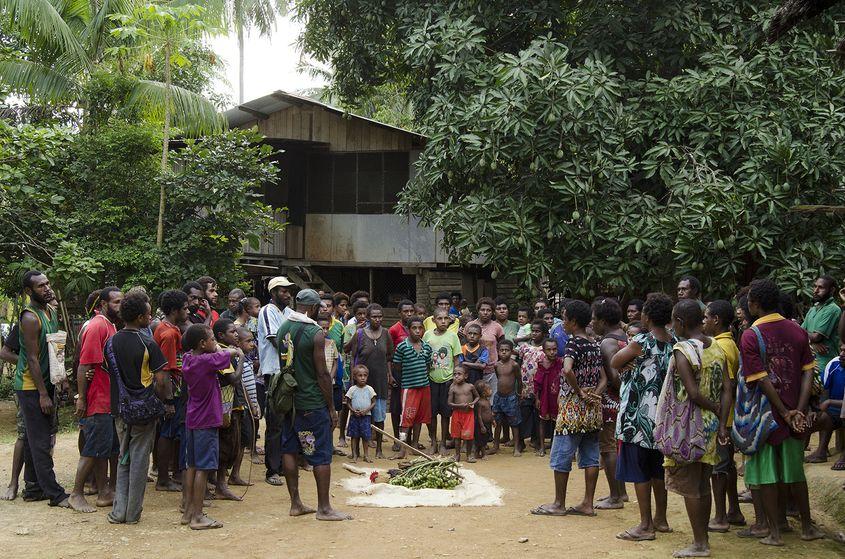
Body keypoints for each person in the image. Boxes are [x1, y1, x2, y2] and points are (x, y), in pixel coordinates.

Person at [740, 278, 823, 545]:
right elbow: (808, 371)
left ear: (754, 304)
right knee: (794, 471)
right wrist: (797, 410)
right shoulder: (797, 330)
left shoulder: (751, 335)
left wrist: (784, 412)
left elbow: (761, 380)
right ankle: (808, 527)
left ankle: (774, 532)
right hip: (794, 413)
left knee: (766, 475)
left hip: (766, 415)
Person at [661, 299, 731, 558]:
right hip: (712, 425)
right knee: (704, 483)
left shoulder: (682, 349)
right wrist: (721, 420)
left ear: (679, 322)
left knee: (691, 486)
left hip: (689, 425)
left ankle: (699, 543)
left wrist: (710, 407)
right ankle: (704, 539)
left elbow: (691, 392)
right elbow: (727, 389)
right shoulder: (716, 347)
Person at [277, 289, 351, 521]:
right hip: (311, 401)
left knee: (289, 449)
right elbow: (322, 374)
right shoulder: (315, 333)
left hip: (288, 399)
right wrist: (331, 407)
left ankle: (296, 503)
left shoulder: (283, 328)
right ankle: (324, 508)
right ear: (312, 308)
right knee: (321, 454)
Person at [531, 299, 605, 518]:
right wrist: (594, 394)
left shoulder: (573, 343)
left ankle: (559, 503)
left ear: (573, 321)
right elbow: (603, 377)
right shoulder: (593, 344)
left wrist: (579, 391)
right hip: (593, 407)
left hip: (573, 405)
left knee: (562, 453)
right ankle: (588, 503)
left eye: (564, 318)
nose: (563, 322)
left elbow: (567, 370)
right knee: (591, 454)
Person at [612, 293, 675, 542]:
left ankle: (645, 525)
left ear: (646, 316)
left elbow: (616, 361)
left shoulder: (642, 341)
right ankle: (661, 519)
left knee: (640, 472)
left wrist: (628, 364)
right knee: (658, 469)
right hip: (662, 417)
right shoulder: (674, 341)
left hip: (637, 417)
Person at [106, 290, 170, 524]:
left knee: (124, 458)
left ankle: (118, 511)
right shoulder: (147, 343)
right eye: (148, 314)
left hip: (120, 409)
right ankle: (133, 513)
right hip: (143, 410)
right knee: (140, 460)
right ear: (142, 318)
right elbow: (162, 380)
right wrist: (161, 401)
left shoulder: (111, 342)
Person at [15, 270, 69, 508]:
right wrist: (42, 394)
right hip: (30, 386)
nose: (47, 288)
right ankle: (55, 494)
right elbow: (33, 359)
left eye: (48, 283)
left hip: (48, 382)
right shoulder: (29, 318)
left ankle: (33, 488)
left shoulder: (50, 311)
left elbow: (56, 347)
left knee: (32, 437)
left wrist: (62, 378)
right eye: (40, 286)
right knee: (40, 441)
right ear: (29, 291)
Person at [180, 323, 242, 530]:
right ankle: (198, 516)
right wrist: (238, 354)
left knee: (192, 465)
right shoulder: (208, 360)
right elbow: (231, 352)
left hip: (192, 418)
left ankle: (189, 510)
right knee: (204, 468)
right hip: (207, 419)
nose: (216, 343)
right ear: (202, 343)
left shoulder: (189, 358)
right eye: (212, 339)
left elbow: (216, 351)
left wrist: (213, 346)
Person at [69, 286, 123, 513]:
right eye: (116, 302)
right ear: (103, 304)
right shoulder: (97, 325)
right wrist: (81, 398)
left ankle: (103, 492)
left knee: (104, 449)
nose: (121, 306)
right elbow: (84, 365)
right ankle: (76, 493)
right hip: (97, 399)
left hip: (108, 398)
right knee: (92, 449)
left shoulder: (110, 325)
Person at [703, 299, 746, 532]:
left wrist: (721, 423)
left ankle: (720, 517)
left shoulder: (720, 347)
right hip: (727, 417)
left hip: (722, 418)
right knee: (727, 465)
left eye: (706, 317)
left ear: (716, 320)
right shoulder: (729, 343)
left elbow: (727, 386)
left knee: (719, 468)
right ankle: (734, 511)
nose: (703, 321)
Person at [257, 276, 295, 486]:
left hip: (288, 371)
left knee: (288, 419)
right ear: (273, 293)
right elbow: (276, 338)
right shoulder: (267, 311)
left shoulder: (290, 313)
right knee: (274, 422)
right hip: (274, 371)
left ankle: (284, 464)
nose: (287, 294)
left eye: (288, 290)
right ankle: (272, 469)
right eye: (282, 291)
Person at [592, 297, 629, 510]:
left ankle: (615, 496)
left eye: (594, 319)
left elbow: (615, 377)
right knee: (614, 446)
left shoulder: (607, 342)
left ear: (604, 321)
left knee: (608, 448)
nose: (592, 323)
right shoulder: (623, 337)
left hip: (610, 401)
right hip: (619, 401)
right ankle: (620, 492)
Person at [345, 303, 394, 459]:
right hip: (362, 383)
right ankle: (357, 451)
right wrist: (354, 377)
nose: (377, 319)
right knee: (360, 416)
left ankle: (378, 448)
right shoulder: (360, 334)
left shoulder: (386, 334)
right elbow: (353, 356)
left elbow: (389, 357)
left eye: (380, 316)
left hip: (380, 381)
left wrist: (389, 374)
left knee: (379, 417)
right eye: (374, 316)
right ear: (367, 317)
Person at [153, 289, 189, 494]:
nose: (187, 312)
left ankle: (166, 476)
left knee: (169, 432)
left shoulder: (165, 327)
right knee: (167, 433)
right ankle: (163, 479)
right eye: (184, 308)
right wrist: (167, 400)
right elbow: (165, 369)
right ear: (175, 310)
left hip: (172, 387)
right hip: (171, 389)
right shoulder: (168, 333)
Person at [802, 276, 841, 459]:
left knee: (820, 409)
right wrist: (811, 341)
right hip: (811, 363)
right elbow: (803, 334)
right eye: (815, 286)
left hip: (826, 366)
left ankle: (822, 449)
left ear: (832, 290)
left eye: (821, 288)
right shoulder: (813, 309)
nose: (816, 290)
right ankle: (808, 448)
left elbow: (816, 336)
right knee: (809, 408)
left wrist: (811, 339)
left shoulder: (833, 309)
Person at [392, 316, 433, 460]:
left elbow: (428, 366)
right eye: (414, 328)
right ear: (408, 330)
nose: (417, 331)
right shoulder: (402, 346)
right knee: (406, 419)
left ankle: (415, 445)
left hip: (424, 387)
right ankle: (403, 448)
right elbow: (396, 366)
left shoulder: (427, 347)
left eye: (420, 328)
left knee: (419, 418)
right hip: (409, 388)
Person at [423, 308, 462, 455]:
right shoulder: (427, 335)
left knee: (446, 414)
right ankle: (434, 441)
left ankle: (444, 443)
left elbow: (457, 359)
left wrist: (455, 378)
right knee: (431, 414)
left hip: (447, 381)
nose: (443, 321)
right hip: (431, 380)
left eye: (446, 318)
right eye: (440, 318)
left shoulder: (453, 336)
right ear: (433, 320)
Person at [0, 322, 25, 501]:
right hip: (26, 385)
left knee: (47, 437)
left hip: (49, 384)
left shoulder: (51, 320)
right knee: (24, 434)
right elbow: (4, 352)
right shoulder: (26, 321)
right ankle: (13, 482)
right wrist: (27, 362)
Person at [339, 301, 368, 449]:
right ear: (354, 315)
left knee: (365, 402)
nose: (362, 316)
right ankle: (342, 436)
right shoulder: (349, 328)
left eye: (365, 314)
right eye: (359, 314)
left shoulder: (371, 328)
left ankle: (365, 436)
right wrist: (356, 332)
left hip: (365, 369)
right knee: (347, 403)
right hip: (349, 370)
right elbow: (345, 348)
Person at [517, 319, 548, 453]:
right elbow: (519, 364)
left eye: (538, 331)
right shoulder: (524, 347)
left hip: (540, 388)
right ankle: (520, 441)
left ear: (544, 333)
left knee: (538, 414)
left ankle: (536, 440)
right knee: (523, 413)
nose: (534, 334)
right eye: (533, 331)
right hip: (525, 387)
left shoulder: (546, 349)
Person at [389, 299, 415, 448]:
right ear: (399, 313)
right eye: (406, 311)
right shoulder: (394, 330)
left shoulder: (417, 327)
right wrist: (390, 374)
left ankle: (408, 439)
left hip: (412, 373)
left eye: (411, 311)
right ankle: (397, 439)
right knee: (396, 407)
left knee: (410, 406)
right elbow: (390, 354)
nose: (409, 314)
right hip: (398, 372)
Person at [814, 344, 845, 471]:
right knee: (816, 417)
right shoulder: (834, 364)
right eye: (842, 350)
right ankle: (821, 451)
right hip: (833, 411)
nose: (842, 354)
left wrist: (830, 402)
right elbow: (824, 392)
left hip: (840, 410)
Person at [492, 339, 521, 456]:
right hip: (499, 396)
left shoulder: (514, 365)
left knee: (514, 423)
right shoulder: (496, 365)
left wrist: (519, 394)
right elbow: (499, 377)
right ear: (498, 351)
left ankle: (516, 447)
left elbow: (519, 380)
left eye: (507, 350)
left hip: (511, 397)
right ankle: (495, 446)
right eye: (501, 350)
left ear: (511, 351)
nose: (504, 352)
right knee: (497, 422)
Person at [532, 338, 561, 458]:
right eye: (549, 350)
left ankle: (554, 445)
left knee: (557, 423)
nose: (552, 352)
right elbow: (537, 383)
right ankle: (542, 447)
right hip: (544, 396)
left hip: (557, 396)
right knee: (543, 421)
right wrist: (537, 398)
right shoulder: (541, 364)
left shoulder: (561, 362)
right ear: (544, 351)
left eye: (554, 349)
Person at [345, 365, 376, 463]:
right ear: (355, 377)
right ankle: (354, 455)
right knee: (354, 436)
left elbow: (374, 402)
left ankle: (366, 455)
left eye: (365, 375)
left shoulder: (369, 389)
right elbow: (348, 402)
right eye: (360, 375)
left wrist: (366, 410)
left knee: (366, 437)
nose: (362, 378)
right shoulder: (352, 389)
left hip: (366, 417)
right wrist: (353, 411)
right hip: (354, 416)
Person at [448, 366, 479, 462]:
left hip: (468, 414)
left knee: (468, 436)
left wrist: (473, 403)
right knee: (457, 436)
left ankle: (469, 455)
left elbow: (477, 397)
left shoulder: (470, 386)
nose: (456, 376)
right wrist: (459, 405)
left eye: (459, 374)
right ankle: (457, 455)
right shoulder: (452, 388)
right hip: (457, 414)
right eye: (454, 374)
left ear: (466, 376)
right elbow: (449, 403)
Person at [475, 380, 494, 460]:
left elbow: (490, 412)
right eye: (489, 390)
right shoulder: (480, 403)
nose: (491, 391)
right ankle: (484, 454)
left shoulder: (487, 401)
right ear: (483, 393)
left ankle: (476, 453)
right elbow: (478, 415)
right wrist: (482, 426)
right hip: (481, 424)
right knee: (482, 440)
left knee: (484, 439)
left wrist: (493, 420)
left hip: (488, 423)